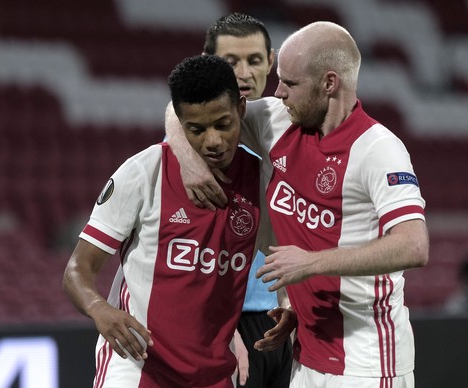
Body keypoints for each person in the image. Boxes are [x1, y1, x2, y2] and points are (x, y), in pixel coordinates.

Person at [166, 21, 429, 388]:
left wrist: (310, 263)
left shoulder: (378, 150)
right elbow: (189, 108)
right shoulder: (277, 121)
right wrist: (189, 162)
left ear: (329, 83)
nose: (278, 92)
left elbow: (413, 245)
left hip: (367, 361)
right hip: (306, 356)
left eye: (289, 83)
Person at [62, 55, 294, 387]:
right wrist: (100, 310)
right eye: (196, 129)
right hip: (138, 365)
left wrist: (288, 300)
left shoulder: (261, 181)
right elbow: (76, 270)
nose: (212, 141)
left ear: (242, 110)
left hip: (213, 373)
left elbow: (282, 253)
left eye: (223, 124)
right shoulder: (143, 173)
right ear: (180, 123)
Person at [202, 12, 292, 388]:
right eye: (230, 62)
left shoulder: (285, 124)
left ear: (271, 62)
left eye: (254, 60)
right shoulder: (199, 138)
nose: (243, 72)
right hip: (226, 321)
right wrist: (219, 331)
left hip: (279, 316)